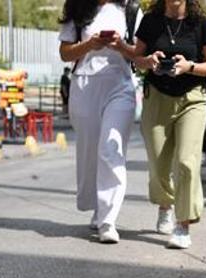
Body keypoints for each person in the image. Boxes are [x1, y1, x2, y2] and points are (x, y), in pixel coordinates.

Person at [133, 0, 206, 249]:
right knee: (158, 163)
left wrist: (188, 66)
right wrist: (149, 61)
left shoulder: (201, 24)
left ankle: (183, 225)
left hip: (192, 99)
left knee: (186, 161)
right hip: (157, 97)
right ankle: (165, 205)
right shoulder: (150, 22)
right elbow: (136, 58)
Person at [58, 0, 141, 244]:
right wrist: (90, 44)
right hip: (84, 85)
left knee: (111, 148)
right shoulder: (77, 7)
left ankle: (108, 220)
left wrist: (121, 45)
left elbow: (140, 52)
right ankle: (97, 208)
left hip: (120, 85)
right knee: (90, 152)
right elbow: (65, 53)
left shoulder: (131, 10)